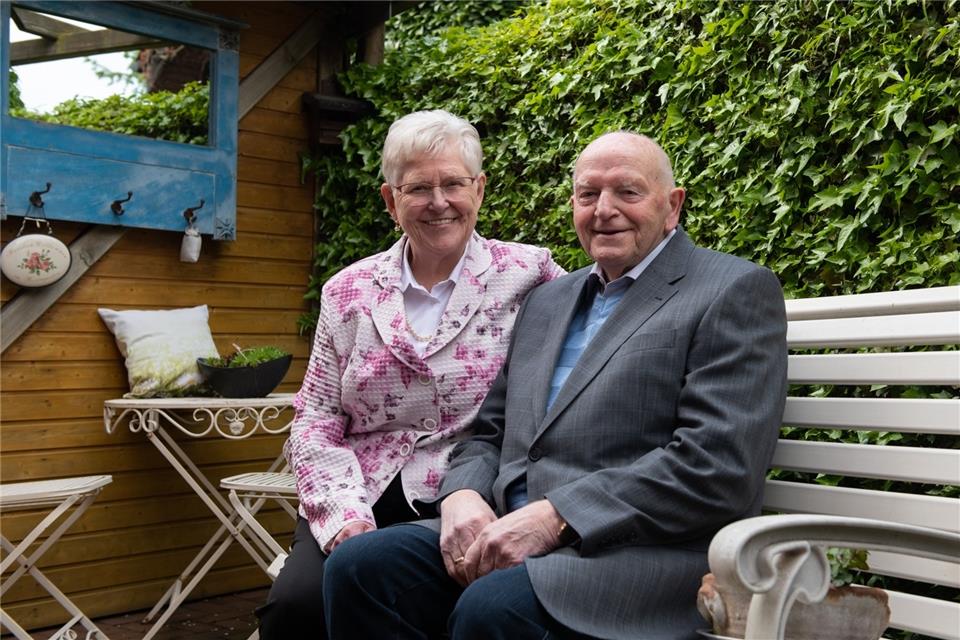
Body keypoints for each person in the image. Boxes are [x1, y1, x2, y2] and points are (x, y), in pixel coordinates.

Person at [322, 131, 788, 640]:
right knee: (361, 567)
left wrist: (557, 517)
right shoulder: (549, 300)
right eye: (588, 195)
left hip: (635, 552)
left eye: (627, 193)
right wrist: (461, 495)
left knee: (492, 608)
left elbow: (719, 465)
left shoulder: (731, 289)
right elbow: (489, 434)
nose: (604, 210)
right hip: (512, 528)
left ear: (672, 206)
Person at [257, 109, 565, 638]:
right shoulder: (347, 290)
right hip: (359, 488)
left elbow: (582, 370)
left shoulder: (530, 275)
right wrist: (344, 517)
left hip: (466, 490)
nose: (439, 202)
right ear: (390, 199)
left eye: (453, 184)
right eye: (419, 187)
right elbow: (315, 416)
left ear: (480, 189)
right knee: (297, 606)